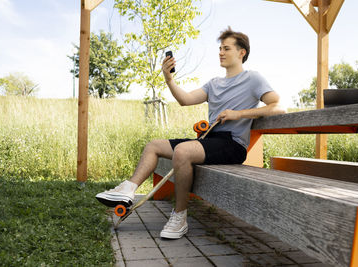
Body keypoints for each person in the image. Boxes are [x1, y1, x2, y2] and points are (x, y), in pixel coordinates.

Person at [96, 27, 285, 239]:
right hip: (210, 141)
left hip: (233, 144)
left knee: (183, 151)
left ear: (242, 52)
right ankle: (127, 191)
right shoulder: (214, 83)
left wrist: (238, 114)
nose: (221, 52)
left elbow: (277, 106)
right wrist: (169, 79)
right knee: (153, 145)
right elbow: (185, 100)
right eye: (220, 48)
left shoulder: (253, 79)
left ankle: (179, 217)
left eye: (227, 48)